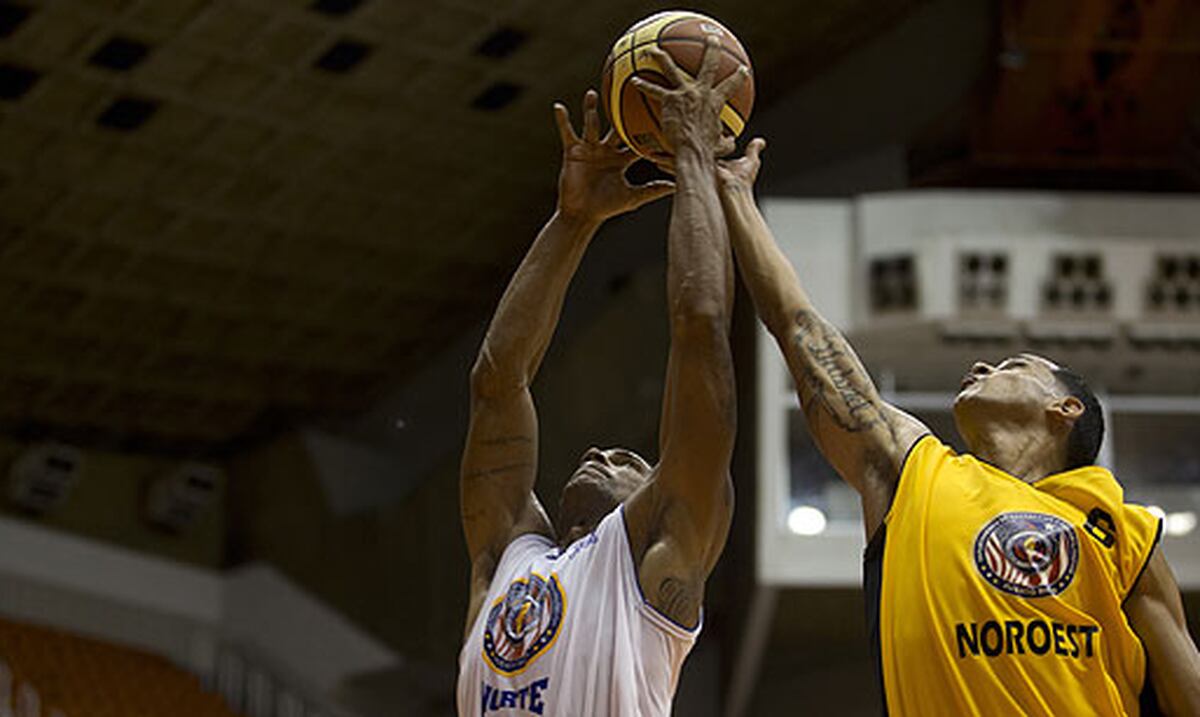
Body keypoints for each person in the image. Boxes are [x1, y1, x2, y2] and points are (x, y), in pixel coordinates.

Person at [716, 138, 1200, 715]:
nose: (982, 367)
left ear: (1066, 409)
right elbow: (801, 331)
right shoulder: (916, 472)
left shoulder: (1124, 530)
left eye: (1013, 366)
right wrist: (736, 196)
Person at [455, 38, 748, 716]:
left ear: (657, 498)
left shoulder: (652, 557)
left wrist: (693, 156)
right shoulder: (504, 561)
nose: (602, 451)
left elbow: (700, 328)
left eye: (633, 461)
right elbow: (496, 382)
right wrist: (573, 220)